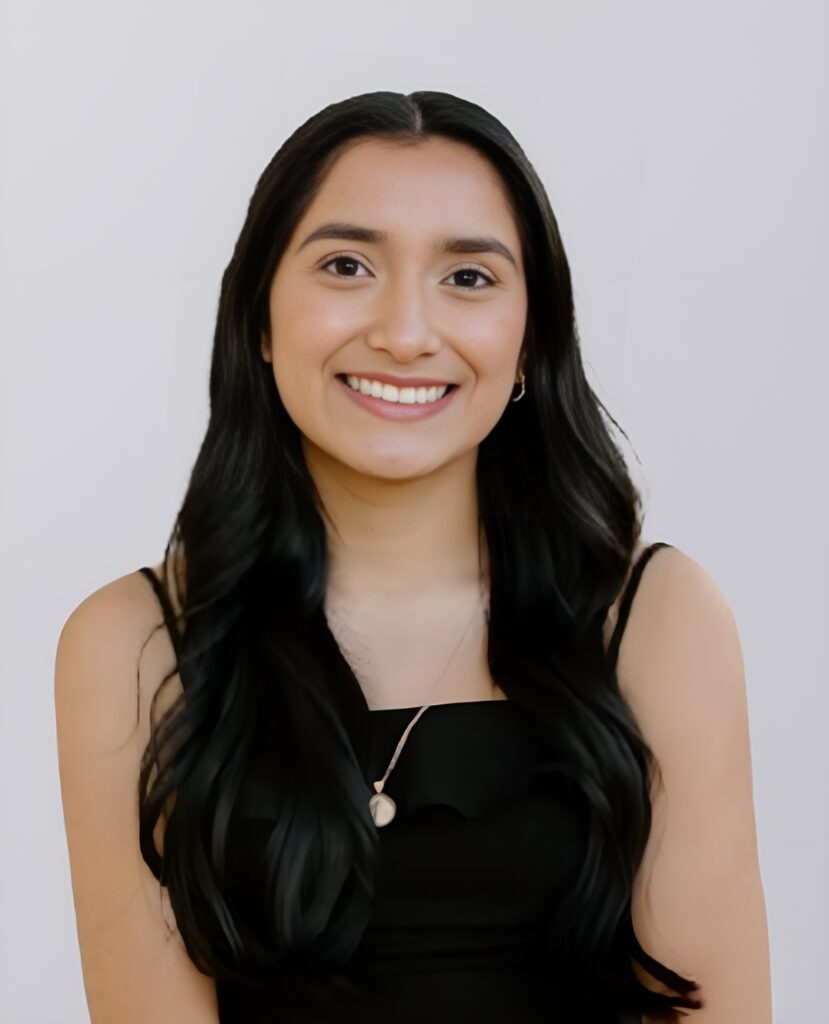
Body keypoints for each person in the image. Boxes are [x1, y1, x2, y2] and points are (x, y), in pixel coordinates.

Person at [54, 90, 771, 1023]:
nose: (403, 331)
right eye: (346, 265)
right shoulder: (129, 644)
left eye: (467, 278)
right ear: (261, 322)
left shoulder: (656, 618)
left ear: (529, 346)